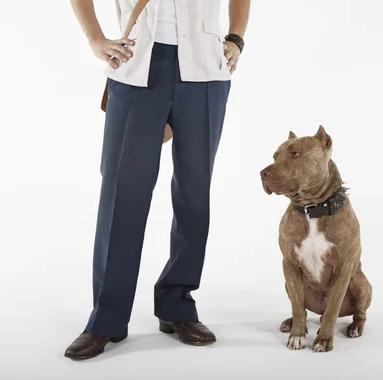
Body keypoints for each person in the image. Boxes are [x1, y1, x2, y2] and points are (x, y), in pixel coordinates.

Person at [65, 0, 250, 360]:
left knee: (194, 195)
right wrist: (95, 39)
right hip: (135, 66)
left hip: (205, 72)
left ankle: (176, 304)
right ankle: (107, 317)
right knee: (123, 195)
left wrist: (236, 38)